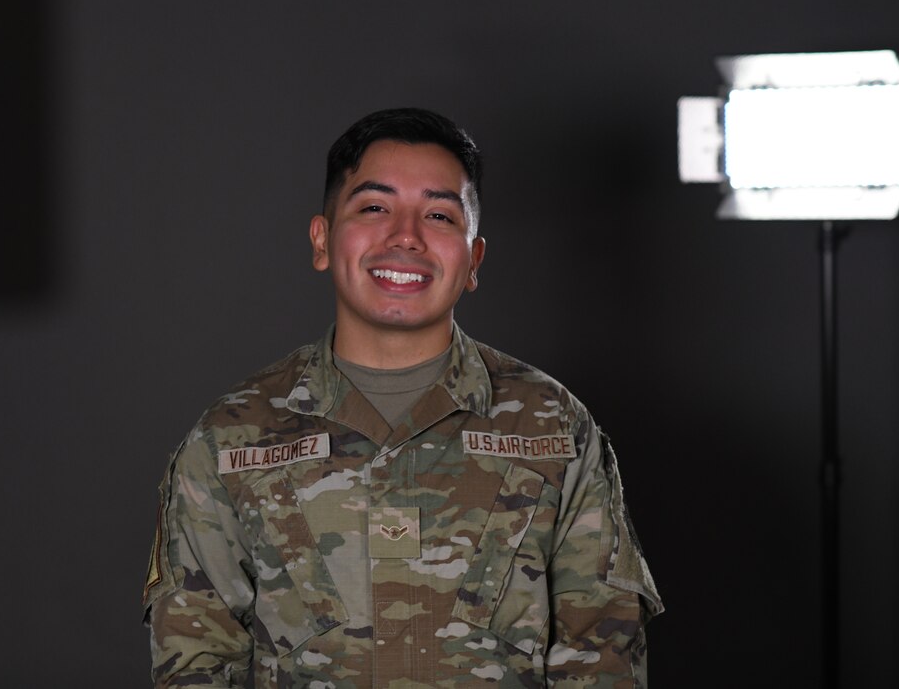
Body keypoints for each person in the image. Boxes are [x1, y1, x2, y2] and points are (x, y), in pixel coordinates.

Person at [142, 107, 662, 687]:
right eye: (374, 207)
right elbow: (197, 657)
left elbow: (603, 655)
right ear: (321, 239)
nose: (406, 236)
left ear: (472, 261)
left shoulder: (554, 426)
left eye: (438, 215)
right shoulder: (231, 436)